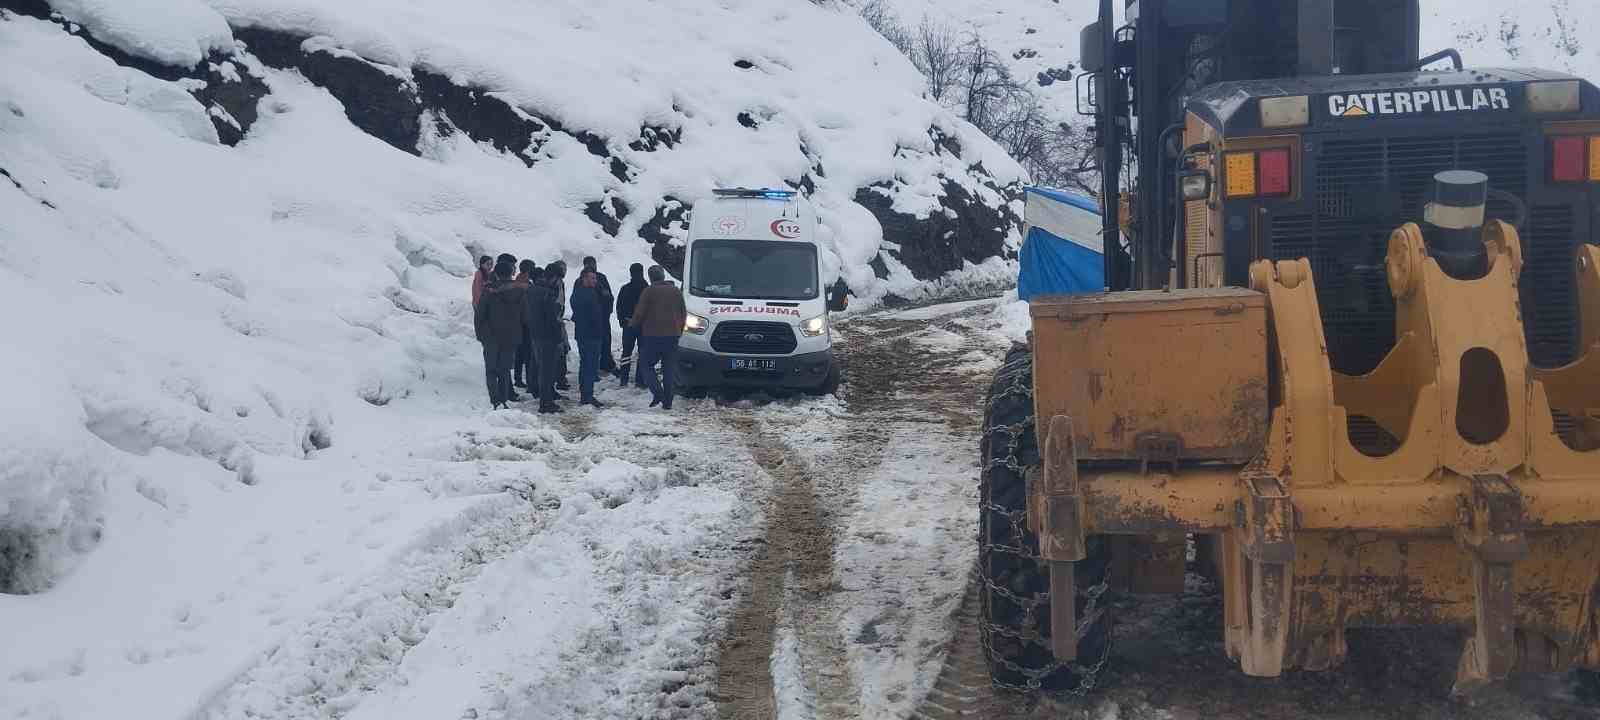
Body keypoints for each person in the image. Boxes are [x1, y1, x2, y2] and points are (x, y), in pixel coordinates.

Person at [629, 265, 687, 410]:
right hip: (672, 335)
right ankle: (668, 402)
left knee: (645, 365)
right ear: (663, 276)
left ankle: (658, 392)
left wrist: (633, 324)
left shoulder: (649, 291)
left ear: (650, 277)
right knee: (669, 368)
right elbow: (683, 312)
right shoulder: (675, 291)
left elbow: (639, 313)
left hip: (652, 335)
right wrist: (679, 330)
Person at [474, 260, 527, 409]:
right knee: (504, 370)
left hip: (490, 337)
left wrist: (481, 335)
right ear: (511, 273)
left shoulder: (489, 290)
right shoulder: (519, 291)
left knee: (491, 370)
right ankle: (503, 400)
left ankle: (495, 400)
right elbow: (525, 316)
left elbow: (480, 315)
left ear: (496, 274)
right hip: (510, 338)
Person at [526, 265, 565, 414]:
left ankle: (544, 398)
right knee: (547, 371)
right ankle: (546, 403)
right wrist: (558, 337)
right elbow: (552, 319)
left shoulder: (532, 290)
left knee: (540, 368)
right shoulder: (547, 294)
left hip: (535, 334)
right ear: (553, 277)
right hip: (548, 337)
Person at [570, 269, 608, 408]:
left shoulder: (577, 293)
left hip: (582, 333)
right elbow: (594, 315)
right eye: (592, 278)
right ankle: (587, 395)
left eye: (595, 278)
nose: (595, 281)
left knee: (585, 363)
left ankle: (585, 393)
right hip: (591, 334)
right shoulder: (588, 294)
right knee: (590, 365)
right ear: (583, 278)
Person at [614, 263, 648, 388]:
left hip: (629, 324)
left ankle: (624, 378)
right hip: (643, 325)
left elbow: (619, 307)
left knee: (626, 352)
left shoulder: (625, 288)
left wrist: (622, 321)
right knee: (642, 352)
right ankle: (640, 379)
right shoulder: (647, 288)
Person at [582, 257, 617, 375]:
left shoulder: (601, 277)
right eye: (589, 264)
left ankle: (605, 362)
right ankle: (594, 366)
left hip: (603, 315)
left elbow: (609, 296)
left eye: (593, 264)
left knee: (606, 340)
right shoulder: (581, 280)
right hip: (591, 318)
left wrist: (607, 311)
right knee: (593, 342)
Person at [513, 260, 540, 388]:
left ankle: (518, 378)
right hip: (525, 322)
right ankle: (530, 381)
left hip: (519, 322)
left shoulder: (517, 281)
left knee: (520, 353)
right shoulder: (525, 285)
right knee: (528, 353)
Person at [549, 260, 572, 391]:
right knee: (560, 350)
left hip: (557, 320)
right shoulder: (557, 283)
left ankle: (559, 378)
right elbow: (558, 303)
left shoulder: (555, 282)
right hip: (556, 322)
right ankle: (560, 379)